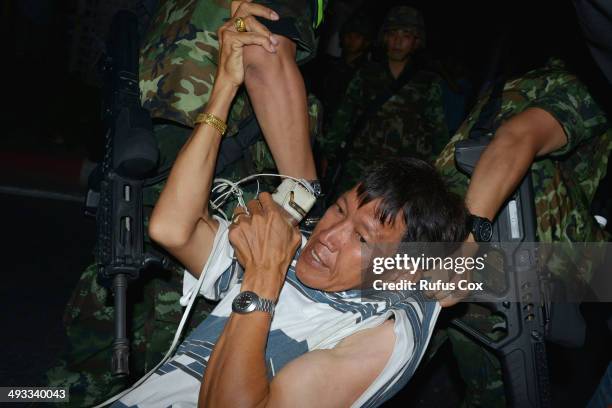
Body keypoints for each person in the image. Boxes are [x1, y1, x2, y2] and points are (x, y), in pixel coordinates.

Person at [112, 18, 470, 407]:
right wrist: (223, 90)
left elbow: (489, 270)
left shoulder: (378, 334)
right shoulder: (292, 251)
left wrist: (263, 278)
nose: (329, 236)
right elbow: (171, 229)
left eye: (362, 237)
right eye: (337, 210)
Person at [45, 1, 326, 405]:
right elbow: (263, 52)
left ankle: (27, 395)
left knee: (99, 347)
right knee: (182, 360)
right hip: (210, 178)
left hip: (147, 166)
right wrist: (305, 193)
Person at [433, 57, 612, 407]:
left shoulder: (532, 80)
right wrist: (470, 239)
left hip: (448, 235)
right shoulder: (588, 89)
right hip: (492, 258)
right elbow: (517, 138)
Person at [319, 6, 448, 197]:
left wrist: (438, 172)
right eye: (393, 33)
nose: (397, 41)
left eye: (406, 35)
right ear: (384, 38)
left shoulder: (428, 82)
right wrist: (328, 153)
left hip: (402, 174)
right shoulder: (366, 74)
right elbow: (343, 116)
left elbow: (438, 130)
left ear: (416, 41)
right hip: (359, 167)